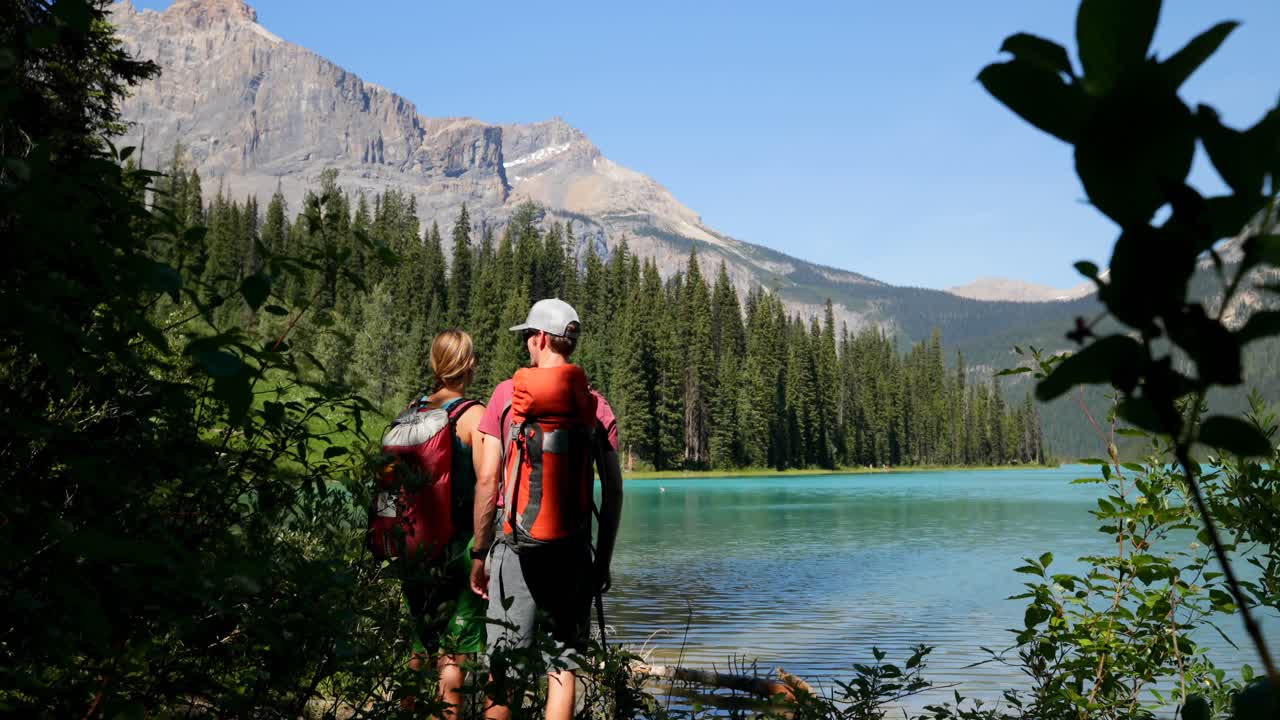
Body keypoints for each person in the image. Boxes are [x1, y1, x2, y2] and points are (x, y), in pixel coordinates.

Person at [469, 298, 624, 720]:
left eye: (527, 338)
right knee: (562, 666)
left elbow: (487, 480)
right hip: (573, 551)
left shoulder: (505, 395)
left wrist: (480, 553)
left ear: (540, 338)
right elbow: (612, 492)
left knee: (503, 668)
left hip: (514, 548)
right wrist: (602, 561)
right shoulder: (595, 405)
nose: (526, 346)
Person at [396, 330, 488, 719]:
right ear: (468, 365)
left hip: (413, 546)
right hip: (458, 548)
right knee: (455, 651)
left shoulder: (410, 411)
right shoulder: (473, 415)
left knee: (420, 645)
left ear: (436, 364)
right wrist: (482, 550)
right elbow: (489, 481)